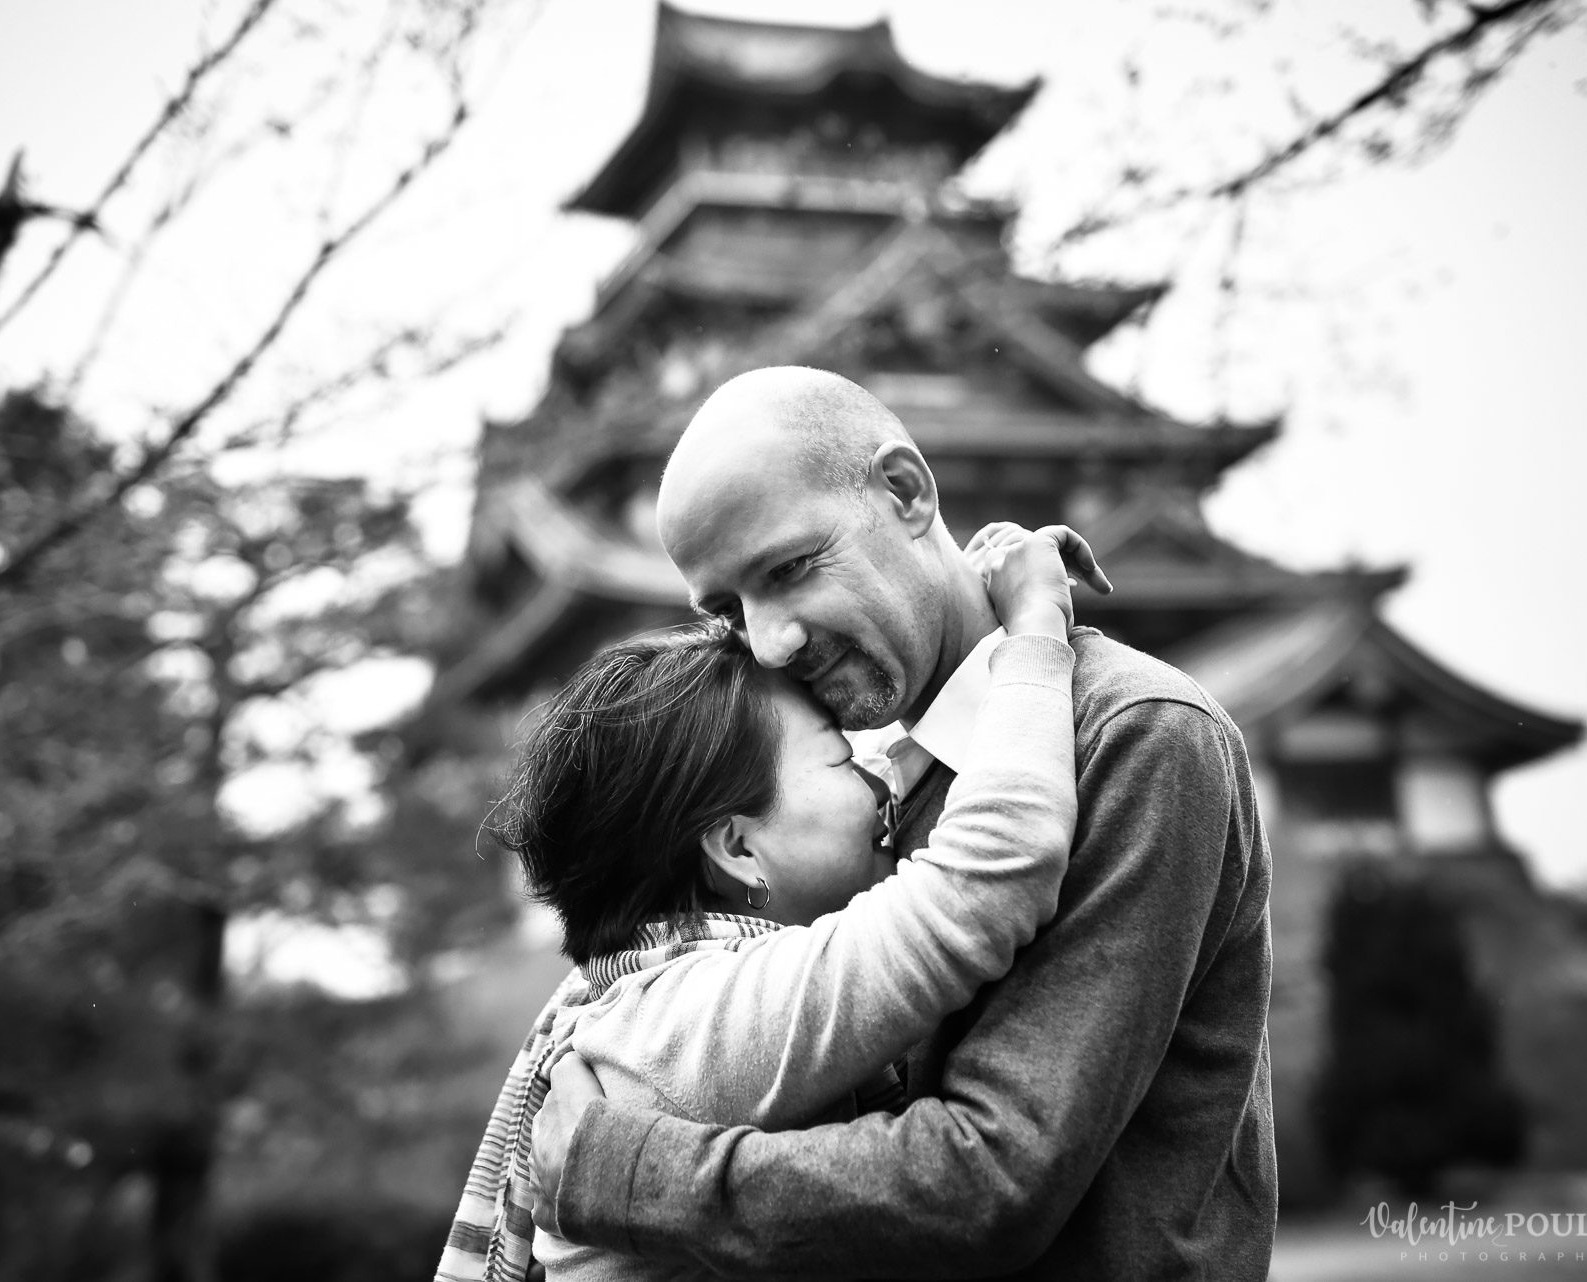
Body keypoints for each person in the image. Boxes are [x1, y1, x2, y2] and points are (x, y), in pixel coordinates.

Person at [528, 366, 1278, 1280]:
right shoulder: (864, 799)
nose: (769, 644)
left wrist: (624, 1168)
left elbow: (994, 1178)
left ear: (907, 493)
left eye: (788, 570)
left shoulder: (1134, 736)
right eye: (726, 610)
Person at [438, 521, 1104, 1282]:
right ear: (736, 847)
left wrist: (948, 602)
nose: (883, 780)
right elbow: (987, 879)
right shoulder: (702, 1018)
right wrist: (1034, 631)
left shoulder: (630, 1006)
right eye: (839, 756)